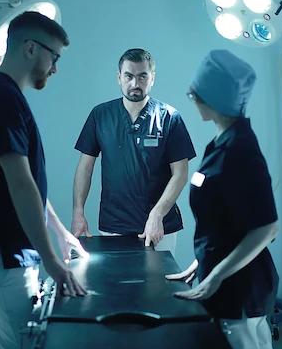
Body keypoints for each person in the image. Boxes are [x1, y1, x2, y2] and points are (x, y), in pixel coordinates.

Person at [0, 11, 88, 349]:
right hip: (2, 254)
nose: (55, 68)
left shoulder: (5, 95)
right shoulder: (0, 98)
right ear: (30, 48)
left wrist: (60, 233)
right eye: (54, 57)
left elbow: (27, 180)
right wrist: (52, 261)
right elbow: (20, 184)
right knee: (17, 344)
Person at [167, 50, 279, 349]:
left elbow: (267, 228)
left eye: (195, 93)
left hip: (240, 286)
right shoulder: (220, 143)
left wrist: (216, 275)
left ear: (214, 99)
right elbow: (224, 221)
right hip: (225, 278)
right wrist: (201, 261)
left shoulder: (240, 150)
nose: (192, 98)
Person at [71, 48, 196, 252]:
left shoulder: (169, 117)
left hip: (159, 226)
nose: (135, 84)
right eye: (128, 76)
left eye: (142, 76)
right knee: (115, 274)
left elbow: (180, 174)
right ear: (119, 77)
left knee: (159, 274)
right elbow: (85, 168)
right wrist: (78, 212)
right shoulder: (100, 115)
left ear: (152, 78)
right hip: (114, 225)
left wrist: (157, 215)